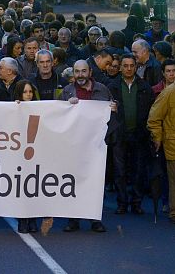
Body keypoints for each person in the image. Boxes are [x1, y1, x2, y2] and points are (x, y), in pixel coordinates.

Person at [60, 60, 114, 233]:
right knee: (72, 182)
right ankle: (73, 220)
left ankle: (95, 219)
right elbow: (58, 116)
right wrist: (66, 105)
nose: (80, 75)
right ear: (73, 73)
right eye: (77, 71)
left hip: (95, 144)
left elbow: (111, 110)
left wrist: (114, 108)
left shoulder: (102, 89)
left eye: (84, 71)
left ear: (90, 72)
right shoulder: (67, 91)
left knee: (95, 182)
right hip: (74, 144)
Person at [107, 54, 154, 215]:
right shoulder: (112, 86)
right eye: (125, 65)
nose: (128, 69)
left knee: (138, 170)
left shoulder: (145, 87)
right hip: (120, 135)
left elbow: (150, 111)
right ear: (120, 67)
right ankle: (122, 203)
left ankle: (136, 202)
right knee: (119, 171)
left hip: (139, 134)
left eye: (131, 66)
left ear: (135, 67)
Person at [147, 72, 175, 224]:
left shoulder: (169, 92)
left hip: (174, 142)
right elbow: (154, 119)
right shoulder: (169, 93)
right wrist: (157, 138)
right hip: (174, 144)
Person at [13, 79, 41, 233]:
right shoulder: (14, 108)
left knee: (34, 186)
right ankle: (23, 219)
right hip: (18, 153)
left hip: (35, 152)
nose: (28, 95)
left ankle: (32, 219)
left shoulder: (40, 108)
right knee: (21, 187)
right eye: (25, 92)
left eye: (30, 91)